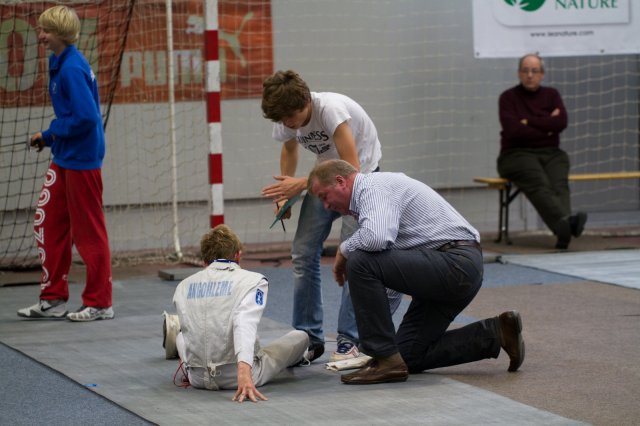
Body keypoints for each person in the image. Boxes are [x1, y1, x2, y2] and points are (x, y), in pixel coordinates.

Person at [307, 159, 525, 385]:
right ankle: (498, 332)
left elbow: (375, 239)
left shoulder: (373, 188)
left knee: (359, 259)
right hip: (453, 269)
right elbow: (388, 283)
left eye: (324, 196)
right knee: (407, 355)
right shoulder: (372, 199)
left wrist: (344, 250)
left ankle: (386, 361)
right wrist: (378, 343)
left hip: (455, 265)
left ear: (341, 181)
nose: (326, 206)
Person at [260, 70, 402, 363]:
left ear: (305, 103)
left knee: (353, 257)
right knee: (302, 252)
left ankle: (350, 339)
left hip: (361, 179)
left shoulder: (330, 110)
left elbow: (350, 170)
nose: (288, 123)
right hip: (325, 176)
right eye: (282, 119)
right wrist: (285, 194)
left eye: (291, 117)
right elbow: (289, 148)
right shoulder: (286, 117)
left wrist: (301, 184)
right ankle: (307, 338)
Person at [17, 5, 113, 322]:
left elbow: (87, 118)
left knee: (88, 232)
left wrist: (50, 132)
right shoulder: (57, 61)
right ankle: (54, 297)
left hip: (82, 160)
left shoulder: (71, 68)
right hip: (65, 156)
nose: (41, 35)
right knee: (47, 221)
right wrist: (49, 138)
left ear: (60, 33)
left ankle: (100, 303)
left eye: (45, 30)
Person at [166, 224, 309, 402]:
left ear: (204, 261)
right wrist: (244, 373)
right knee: (301, 336)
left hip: (197, 378)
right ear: (237, 255)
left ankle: (175, 329)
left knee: (182, 336)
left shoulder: (182, 286)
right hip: (238, 377)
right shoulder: (253, 281)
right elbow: (244, 323)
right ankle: (301, 355)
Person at [498, 53, 587, 249]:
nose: (530, 75)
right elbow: (514, 131)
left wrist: (528, 121)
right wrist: (547, 125)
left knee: (559, 184)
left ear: (542, 74)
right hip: (516, 154)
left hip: (551, 152)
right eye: (525, 71)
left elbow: (561, 123)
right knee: (538, 182)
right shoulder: (508, 98)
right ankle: (567, 225)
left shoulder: (552, 95)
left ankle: (564, 228)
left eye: (534, 71)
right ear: (519, 73)